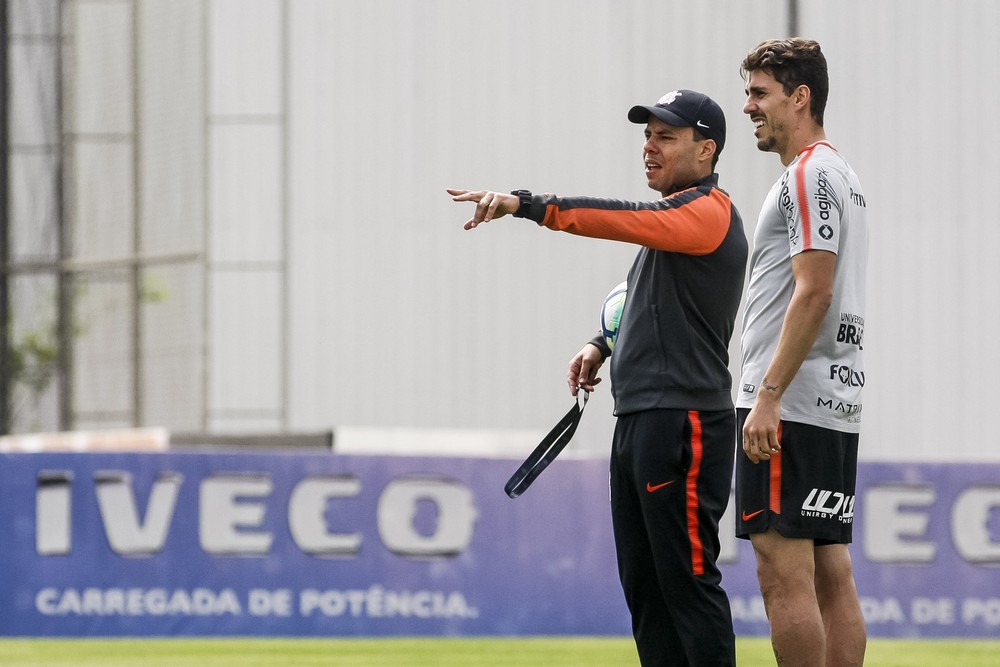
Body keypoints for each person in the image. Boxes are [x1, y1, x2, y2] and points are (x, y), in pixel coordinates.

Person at [449, 89, 747, 666]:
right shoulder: (673, 225)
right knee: (647, 592)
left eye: (666, 135)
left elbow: (620, 219)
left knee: (685, 586)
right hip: (641, 418)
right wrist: (602, 343)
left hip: (682, 419)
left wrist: (526, 204)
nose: (649, 146)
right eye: (647, 134)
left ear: (706, 149)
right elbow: (646, 302)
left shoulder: (708, 211)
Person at [736, 39, 869, 666]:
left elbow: (812, 293)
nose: (749, 107)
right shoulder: (842, 174)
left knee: (781, 570)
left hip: (790, 404)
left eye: (760, 94)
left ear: (801, 97)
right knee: (827, 571)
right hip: (831, 399)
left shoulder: (809, 174)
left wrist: (767, 394)